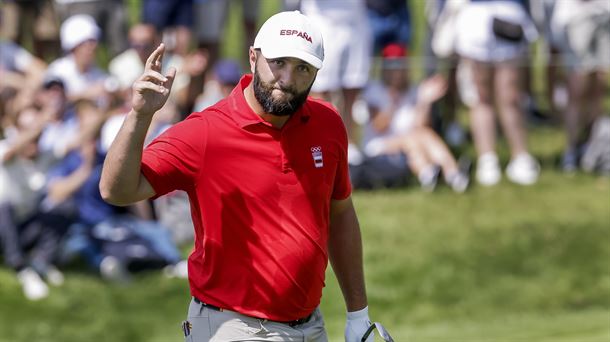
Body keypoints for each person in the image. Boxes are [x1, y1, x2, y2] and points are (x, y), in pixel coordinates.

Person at [100, 10, 387, 342]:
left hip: (310, 326)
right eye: (278, 62)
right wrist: (139, 115)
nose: (287, 78)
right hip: (233, 326)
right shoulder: (206, 133)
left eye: (302, 68)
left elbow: (340, 214)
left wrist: (358, 314)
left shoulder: (328, 123)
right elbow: (116, 190)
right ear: (253, 57)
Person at [361, 43, 470, 193]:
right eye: (392, 68)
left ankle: (450, 174)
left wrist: (425, 101)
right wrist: (393, 104)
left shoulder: (414, 90)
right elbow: (379, 126)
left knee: (422, 134)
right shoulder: (374, 91)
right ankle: (432, 173)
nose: (396, 72)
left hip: (410, 142)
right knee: (411, 139)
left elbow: (422, 124)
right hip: (379, 147)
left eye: (400, 67)